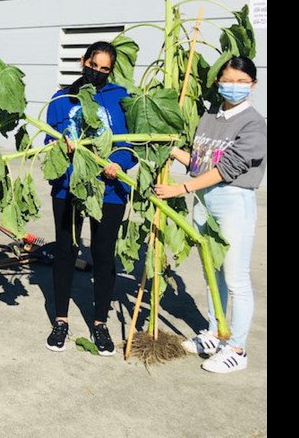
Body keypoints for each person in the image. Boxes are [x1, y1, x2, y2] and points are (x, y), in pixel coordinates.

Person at [154, 56, 266, 373]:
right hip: (205, 200)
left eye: (242, 82)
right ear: (218, 82)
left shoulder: (255, 124)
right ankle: (215, 333)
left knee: (235, 277)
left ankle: (237, 348)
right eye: (228, 80)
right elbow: (200, 161)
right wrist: (169, 148)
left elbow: (227, 168)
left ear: (252, 85)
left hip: (233, 200)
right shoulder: (209, 117)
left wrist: (182, 189)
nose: (233, 86)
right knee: (211, 273)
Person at [44, 41, 136, 356]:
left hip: (109, 190)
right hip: (68, 187)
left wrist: (118, 164)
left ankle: (99, 323)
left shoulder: (121, 98)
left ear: (111, 71)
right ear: (83, 61)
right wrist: (61, 148)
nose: (96, 72)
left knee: (103, 254)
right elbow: (47, 140)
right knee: (66, 251)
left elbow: (131, 146)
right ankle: (60, 319)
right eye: (92, 65)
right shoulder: (62, 98)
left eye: (103, 69)